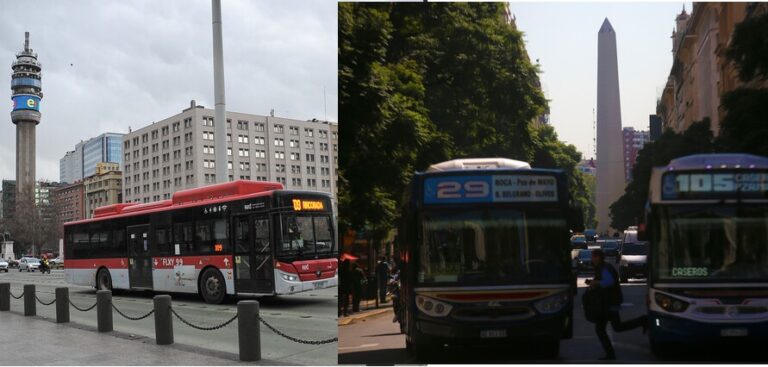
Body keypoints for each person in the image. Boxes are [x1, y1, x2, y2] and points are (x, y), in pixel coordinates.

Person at [586, 249, 647, 360]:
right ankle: (642, 321)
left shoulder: (604, 268)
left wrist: (596, 282)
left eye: (593, 257)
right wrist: (593, 283)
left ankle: (610, 354)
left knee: (601, 329)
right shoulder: (602, 267)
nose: (591, 259)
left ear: (598, 257)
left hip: (609, 303)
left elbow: (609, 282)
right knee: (617, 327)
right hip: (607, 303)